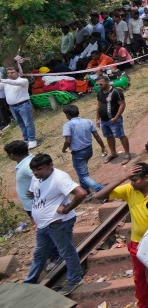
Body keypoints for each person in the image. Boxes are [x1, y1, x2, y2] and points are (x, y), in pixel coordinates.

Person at [95, 163, 148, 308]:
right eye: (130, 180)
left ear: (146, 178)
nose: (131, 183)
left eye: (134, 180)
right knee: (140, 278)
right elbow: (99, 195)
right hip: (138, 243)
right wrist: (123, 177)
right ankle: (144, 304)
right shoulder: (129, 190)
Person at [25, 154, 88, 295]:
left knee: (66, 252)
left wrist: (66, 209)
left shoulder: (59, 178)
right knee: (39, 253)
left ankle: (74, 279)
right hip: (43, 224)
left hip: (58, 223)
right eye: (33, 170)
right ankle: (30, 281)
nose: (36, 173)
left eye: (39, 169)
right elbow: (35, 192)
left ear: (50, 165)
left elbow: (81, 193)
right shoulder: (37, 177)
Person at [61, 105, 105, 195]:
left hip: (78, 153)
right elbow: (96, 135)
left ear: (68, 115)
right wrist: (103, 147)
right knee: (82, 171)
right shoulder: (88, 121)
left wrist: (64, 149)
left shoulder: (68, 125)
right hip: (89, 150)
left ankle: (101, 190)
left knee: (83, 175)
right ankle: (85, 190)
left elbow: (68, 140)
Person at [96, 74, 131, 163]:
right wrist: (97, 119)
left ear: (107, 82)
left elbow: (122, 105)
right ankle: (113, 153)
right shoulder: (99, 93)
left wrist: (116, 117)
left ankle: (127, 154)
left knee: (121, 135)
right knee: (108, 136)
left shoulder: (116, 92)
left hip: (114, 119)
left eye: (101, 84)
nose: (99, 86)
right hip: (104, 121)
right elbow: (98, 106)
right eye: (98, 84)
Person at [2, 67, 36, 148]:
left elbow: (14, 83)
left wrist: (3, 80)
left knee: (28, 123)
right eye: (8, 73)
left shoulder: (23, 80)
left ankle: (32, 139)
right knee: (20, 124)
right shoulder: (6, 82)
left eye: (12, 72)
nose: (10, 74)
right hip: (12, 107)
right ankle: (26, 139)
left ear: (18, 72)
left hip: (23, 105)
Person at [5, 140, 33, 223]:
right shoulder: (28, 162)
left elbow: (42, 178)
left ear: (12, 155)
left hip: (35, 205)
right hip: (32, 205)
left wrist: (35, 191)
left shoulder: (26, 166)